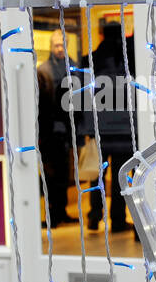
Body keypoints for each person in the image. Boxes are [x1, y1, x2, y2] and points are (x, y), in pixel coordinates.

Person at [86, 21, 137, 233]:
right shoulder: (129, 60)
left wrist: (87, 128)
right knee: (121, 175)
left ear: (101, 34)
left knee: (96, 173)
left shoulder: (92, 59)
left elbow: (85, 95)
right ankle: (117, 220)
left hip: (100, 127)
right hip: (125, 128)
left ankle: (94, 216)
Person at [37, 30, 79, 226]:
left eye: (62, 45)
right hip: (49, 129)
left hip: (67, 128)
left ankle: (61, 211)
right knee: (50, 174)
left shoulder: (75, 68)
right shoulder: (44, 70)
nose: (60, 49)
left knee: (64, 172)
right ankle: (53, 213)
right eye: (56, 45)